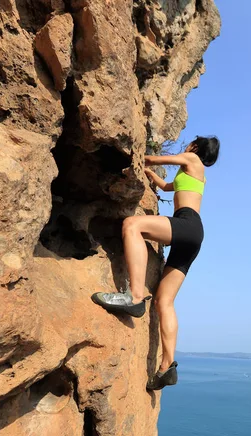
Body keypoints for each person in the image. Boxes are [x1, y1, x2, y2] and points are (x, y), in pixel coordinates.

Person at [92, 136, 220, 390]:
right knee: (165, 301)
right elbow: (165, 185)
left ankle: (135, 296)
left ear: (195, 147)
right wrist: (150, 174)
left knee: (132, 225)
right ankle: (166, 367)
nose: (186, 147)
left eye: (191, 143)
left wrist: (135, 156)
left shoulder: (192, 159)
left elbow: (154, 158)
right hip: (193, 235)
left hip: (186, 224)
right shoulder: (196, 176)